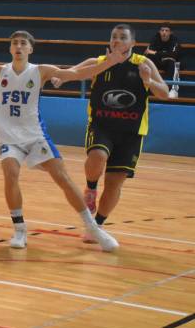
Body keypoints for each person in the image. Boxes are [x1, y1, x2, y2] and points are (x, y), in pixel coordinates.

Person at [0, 31, 127, 251]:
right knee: (10, 173)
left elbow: (76, 73)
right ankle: (19, 229)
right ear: (10, 48)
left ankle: (93, 228)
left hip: (34, 135)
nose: (18, 46)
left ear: (30, 49)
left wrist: (108, 63)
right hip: (8, 136)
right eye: (15, 43)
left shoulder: (40, 71)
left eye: (23, 43)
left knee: (62, 177)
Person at [52, 24, 171, 233]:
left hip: (131, 133)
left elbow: (165, 93)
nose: (117, 40)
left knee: (114, 183)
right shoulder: (98, 62)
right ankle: (91, 188)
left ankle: (96, 226)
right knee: (98, 155)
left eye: (122, 37)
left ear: (133, 42)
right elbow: (72, 72)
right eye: (114, 36)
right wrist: (59, 77)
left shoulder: (144, 64)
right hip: (102, 126)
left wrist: (149, 81)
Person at [145, 24, 182, 98]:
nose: (164, 32)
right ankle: (147, 89)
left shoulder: (175, 40)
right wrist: (164, 55)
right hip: (158, 61)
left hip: (168, 62)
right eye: (162, 30)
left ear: (170, 32)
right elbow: (148, 52)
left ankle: (170, 89)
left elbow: (174, 54)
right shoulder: (155, 38)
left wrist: (156, 53)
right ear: (159, 32)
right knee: (148, 60)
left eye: (166, 30)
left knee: (172, 63)